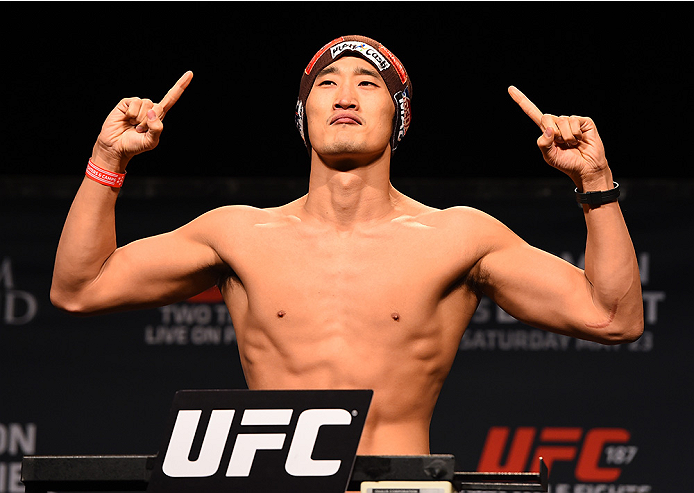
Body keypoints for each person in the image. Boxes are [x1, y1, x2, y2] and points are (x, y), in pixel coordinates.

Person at [51, 35, 644, 456]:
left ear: (398, 115)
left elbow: (613, 316)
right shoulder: (235, 233)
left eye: (368, 83)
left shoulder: (458, 236)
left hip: (400, 486)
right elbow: (79, 288)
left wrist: (594, 181)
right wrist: (108, 160)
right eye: (326, 84)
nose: (344, 96)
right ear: (304, 115)